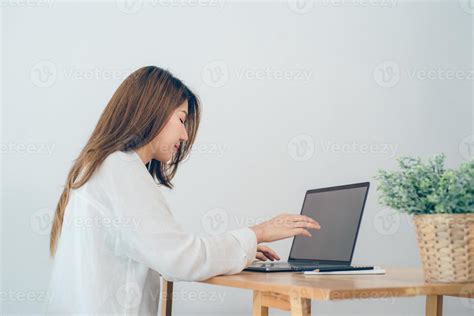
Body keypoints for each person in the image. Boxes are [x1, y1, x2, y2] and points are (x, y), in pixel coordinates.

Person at [46, 66, 321, 314]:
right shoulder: (120, 171)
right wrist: (257, 232)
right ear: (150, 112)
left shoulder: (104, 168)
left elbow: (170, 249)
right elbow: (181, 259)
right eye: (181, 120)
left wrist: (245, 247)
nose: (185, 135)